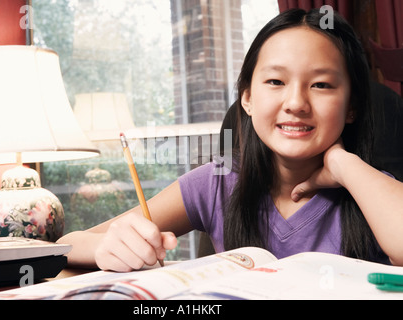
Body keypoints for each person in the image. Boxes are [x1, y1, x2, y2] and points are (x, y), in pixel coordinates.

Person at [57, 8, 403, 271]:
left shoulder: (369, 189)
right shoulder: (217, 182)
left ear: (352, 107)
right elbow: (68, 244)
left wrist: (343, 164)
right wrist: (109, 247)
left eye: (322, 85)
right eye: (275, 82)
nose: (296, 103)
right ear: (248, 98)